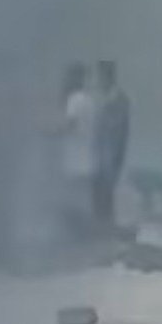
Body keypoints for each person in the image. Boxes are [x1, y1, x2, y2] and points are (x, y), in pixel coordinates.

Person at [58, 62, 97, 239]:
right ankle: (83, 234)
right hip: (86, 157)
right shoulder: (88, 99)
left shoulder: (74, 100)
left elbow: (70, 125)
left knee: (73, 199)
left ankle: (75, 235)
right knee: (81, 199)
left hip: (74, 158)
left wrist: (48, 132)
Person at [93, 60, 131, 230]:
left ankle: (105, 225)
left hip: (112, 151)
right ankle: (102, 223)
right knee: (102, 189)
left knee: (105, 189)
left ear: (107, 77)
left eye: (100, 77)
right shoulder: (108, 97)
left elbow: (118, 128)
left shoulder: (117, 98)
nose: (98, 82)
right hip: (105, 150)